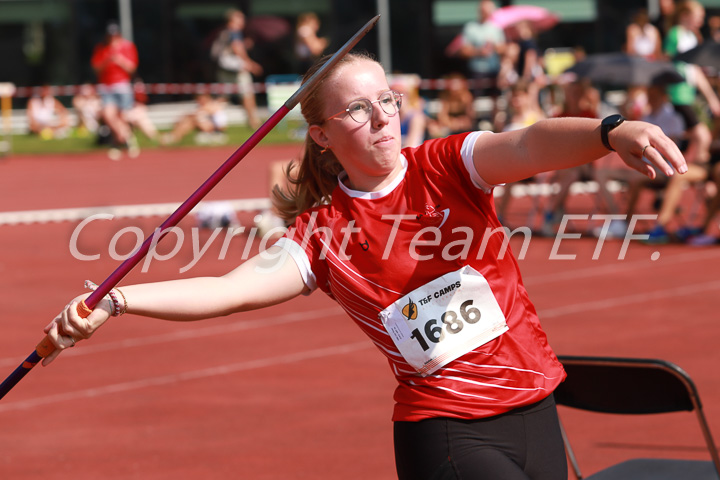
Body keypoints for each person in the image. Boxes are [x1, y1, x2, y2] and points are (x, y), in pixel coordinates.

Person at [44, 52, 686, 480]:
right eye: (357, 108)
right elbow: (230, 288)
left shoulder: (449, 165)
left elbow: (528, 142)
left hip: (538, 406)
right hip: (448, 432)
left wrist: (610, 131)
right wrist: (119, 301)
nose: (382, 117)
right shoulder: (322, 235)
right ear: (321, 133)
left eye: (387, 99)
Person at [90, 22, 139, 158]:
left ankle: (116, 143)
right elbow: (96, 68)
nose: (112, 38)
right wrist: (107, 60)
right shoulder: (101, 48)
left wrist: (119, 60)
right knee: (108, 115)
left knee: (123, 116)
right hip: (106, 86)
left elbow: (132, 68)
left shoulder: (127, 46)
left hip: (122, 85)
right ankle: (126, 138)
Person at [211, 8, 262, 130]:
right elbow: (237, 48)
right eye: (240, 18)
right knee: (248, 94)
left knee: (223, 97)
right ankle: (253, 122)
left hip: (223, 69)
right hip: (236, 69)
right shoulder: (234, 31)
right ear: (232, 20)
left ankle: (210, 119)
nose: (243, 20)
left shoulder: (224, 32)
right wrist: (250, 64)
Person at [457, 0, 506, 121]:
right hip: (477, 70)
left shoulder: (496, 28)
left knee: (496, 99)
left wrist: (494, 47)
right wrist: (479, 52)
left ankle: (496, 125)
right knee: (471, 99)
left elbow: (503, 48)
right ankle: (470, 125)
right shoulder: (471, 27)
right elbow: (463, 51)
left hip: (493, 69)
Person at [160, 92, 228, 145]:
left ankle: (175, 136)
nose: (199, 102)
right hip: (208, 127)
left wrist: (186, 117)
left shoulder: (212, 105)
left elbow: (199, 113)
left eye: (200, 99)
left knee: (193, 120)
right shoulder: (205, 107)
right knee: (190, 120)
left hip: (216, 129)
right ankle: (175, 135)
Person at [426, 72, 476, 139]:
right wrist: (452, 123)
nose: (454, 88)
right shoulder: (445, 96)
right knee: (434, 129)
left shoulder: (466, 97)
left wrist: (458, 123)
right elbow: (442, 116)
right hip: (449, 125)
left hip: (462, 126)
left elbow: (470, 119)